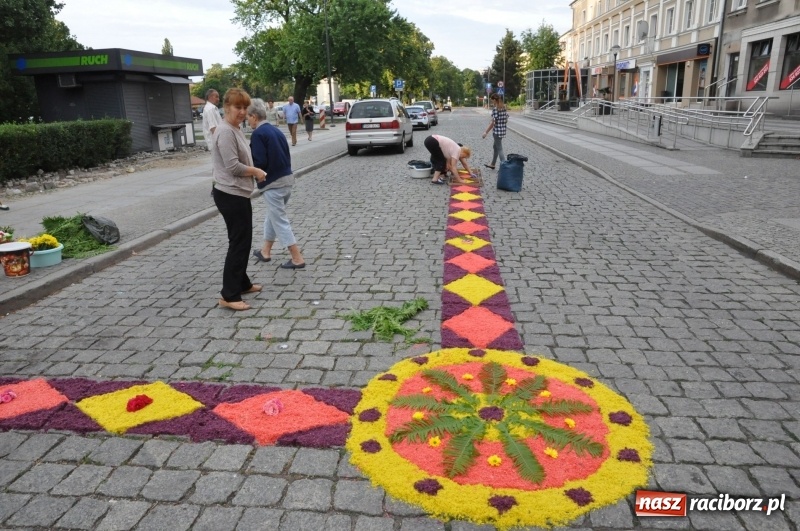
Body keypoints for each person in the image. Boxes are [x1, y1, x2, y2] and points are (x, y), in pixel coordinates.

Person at [211, 88, 268, 311]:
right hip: (230, 193)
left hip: (238, 193)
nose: (243, 112)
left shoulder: (234, 128)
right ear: (226, 107)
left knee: (243, 240)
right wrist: (256, 171)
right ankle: (229, 294)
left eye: (245, 108)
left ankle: (242, 283)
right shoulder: (225, 131)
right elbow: (233, 167)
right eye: (238, 107)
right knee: (238, 243)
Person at [247, 99, 306, 270]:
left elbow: (260, 161)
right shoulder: (276, 130)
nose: (247, 121)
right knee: (272, 217)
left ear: (255, 116)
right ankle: (265, 251)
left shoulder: (258, 134)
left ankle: (297, 258)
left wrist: (251, 171)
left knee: (279, 220)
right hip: (286, 180)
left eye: (248, 117)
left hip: (273, 183)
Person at [482, 93, 508, 170]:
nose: (491, 102)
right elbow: (506, 120)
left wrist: (485, 132)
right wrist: (501, 125)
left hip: (497, 132)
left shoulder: (495, 109)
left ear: (494, 100)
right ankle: (493, 164)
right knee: (495, 146)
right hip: (502, 131)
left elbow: (492, 123)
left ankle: (505, 167)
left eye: (492, 100)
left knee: (499, 148)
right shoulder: (503, 107)